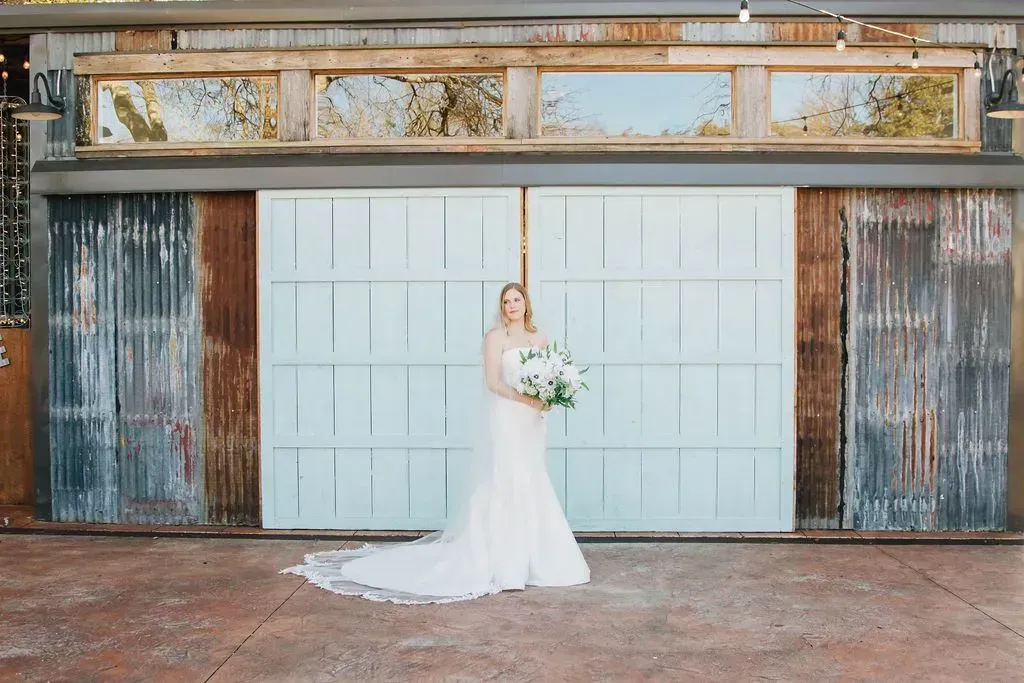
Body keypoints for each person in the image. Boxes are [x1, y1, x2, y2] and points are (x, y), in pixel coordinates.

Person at [281, 282, 590, 604]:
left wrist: (548, 398)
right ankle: (502, 562)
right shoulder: (495, 338)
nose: (512, 305)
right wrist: (525, 398)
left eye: (517, 299)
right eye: (506, 301)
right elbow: (492, 382)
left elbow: (548, 378)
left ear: (526, 303)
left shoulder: (539, 338)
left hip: (533, 420)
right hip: (508, 415)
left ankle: (535, 559)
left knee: (532, 478)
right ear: (502, 307)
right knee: (505, 478)